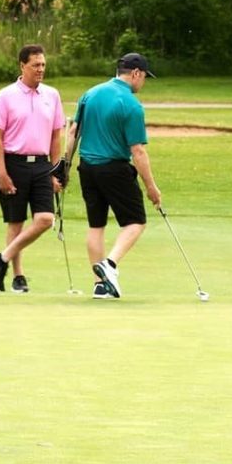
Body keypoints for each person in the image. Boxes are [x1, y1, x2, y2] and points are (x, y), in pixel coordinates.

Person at [60, 52, 162, 299]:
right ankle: (110, 264)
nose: (143, 83)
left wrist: (64, 166)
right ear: (135, 74)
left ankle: (100, 285)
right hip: (114, 169)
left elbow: (73, 132)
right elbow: (137, 151)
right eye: (144, 77)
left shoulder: (91, 93)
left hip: (87, 168)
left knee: (96, 225)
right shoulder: (131, 104)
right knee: (135, 222)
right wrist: (151, 187)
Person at [0, 44, 65, 292]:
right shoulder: (6, 95)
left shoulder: (52, 95)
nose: (40, 69)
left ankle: (2, 259)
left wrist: (56, 170)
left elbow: (55, 136)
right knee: (16, 222)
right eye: (35, 65)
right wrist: (2, 172)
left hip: (42, 165)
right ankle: (18, 277)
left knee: (45, 219)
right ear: (22, 65)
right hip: (14, 163)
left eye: (43, 65)